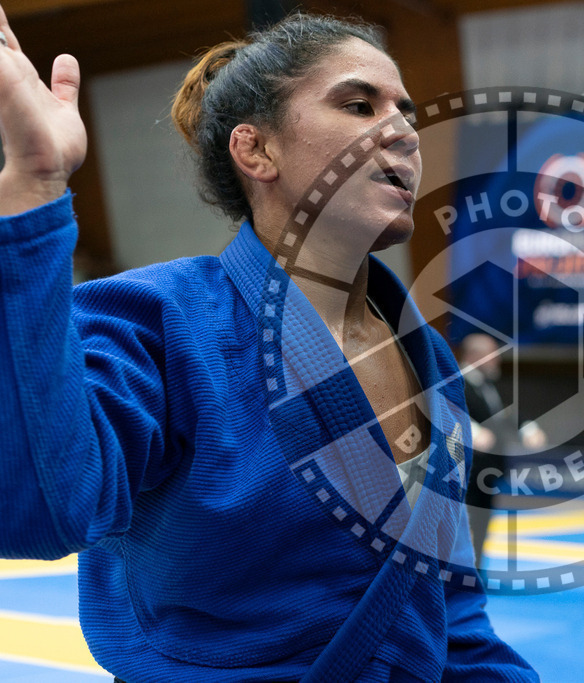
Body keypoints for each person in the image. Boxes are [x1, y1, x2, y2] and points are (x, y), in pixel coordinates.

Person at [0, 8, 537, 681]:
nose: (402, 130)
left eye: (406, 109)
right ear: (257, 152)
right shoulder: (157, 322)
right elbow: (42, 512)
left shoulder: (428, 359)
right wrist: (34, 186)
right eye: (359, 104)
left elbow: (450, 610)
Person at [459, 334, 545, 569]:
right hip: (464, 467)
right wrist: (473, 432)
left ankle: (475, 567)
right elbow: (450, 412)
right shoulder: (456, 383)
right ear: (474, 356)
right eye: (491, 356)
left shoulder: (491, 384)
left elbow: (508, 413)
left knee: (482, 517)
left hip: (487, 468)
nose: (496, 361)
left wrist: (528, 429)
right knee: (462, 519)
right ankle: (458, 569)